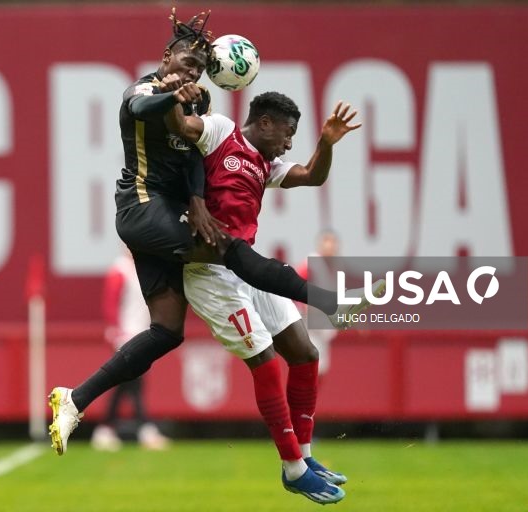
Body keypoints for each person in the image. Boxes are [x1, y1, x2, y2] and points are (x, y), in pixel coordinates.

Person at [48, 9, 381, 462]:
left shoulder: (199, 104)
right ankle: (329, 302)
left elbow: (192, 158)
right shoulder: (146, 89)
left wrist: (199, 199)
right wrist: (172, 96)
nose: (190, 73)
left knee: (166, 331)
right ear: (166, 57)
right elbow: (146, 109)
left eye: (198, 69)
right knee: (229, 249)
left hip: (173, 214)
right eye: (184, 63)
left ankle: (74, 400)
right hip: (142, 210)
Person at [171, 92, 375, 504]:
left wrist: (326, 145)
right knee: (265, 362)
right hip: (211, 274)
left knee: (305, 353)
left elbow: (313, 176)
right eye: (287, 133)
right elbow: (181, 125)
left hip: (247, 268)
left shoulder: (267, 164)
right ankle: (293, 468)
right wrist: (174, 89)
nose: (288, 143)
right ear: (264, 123)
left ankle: (306, 455)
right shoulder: (221, 131)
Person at [91, 250, 171, 452]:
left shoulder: (146, 269)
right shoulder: (120, 269)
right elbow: (111, 303)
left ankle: (105, 430)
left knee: (125, 384)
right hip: (126, 336)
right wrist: (114, 333)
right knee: (134, 383)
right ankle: (145, 430)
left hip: (143, 333)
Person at [296, 229, 341, 377]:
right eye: (327, 241)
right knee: (312, 367)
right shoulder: (312, 263)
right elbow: (294, 285)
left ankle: (310, 400)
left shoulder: (334, 267)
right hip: (309, 325)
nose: (330, 246)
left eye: (333, 242)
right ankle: (301, 400)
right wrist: (305, 304)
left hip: (322, 325)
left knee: (321, 369)